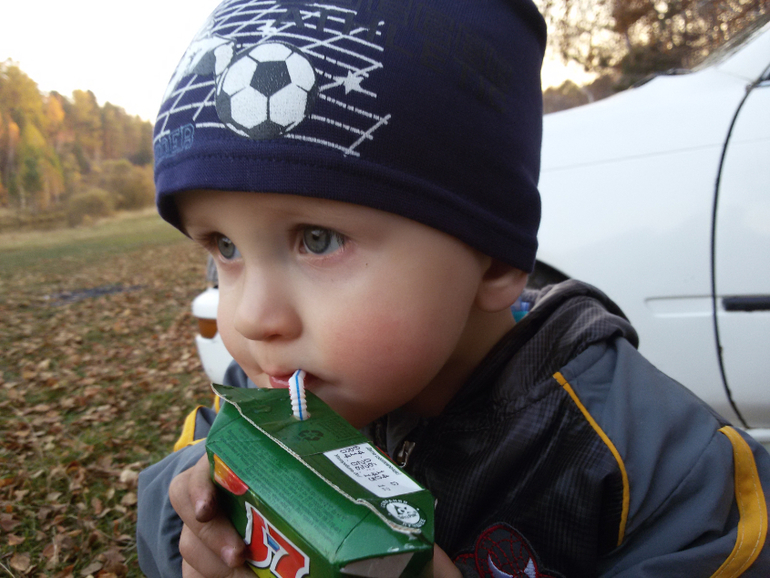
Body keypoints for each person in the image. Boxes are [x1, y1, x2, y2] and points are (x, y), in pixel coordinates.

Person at [137, 0, 770, 576]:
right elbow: (168, 490)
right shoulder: (274, 396)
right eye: (224, 247)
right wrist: (192, 534)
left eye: (319, 240)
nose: (252, 318)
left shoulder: (646, 463)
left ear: (492, 261)